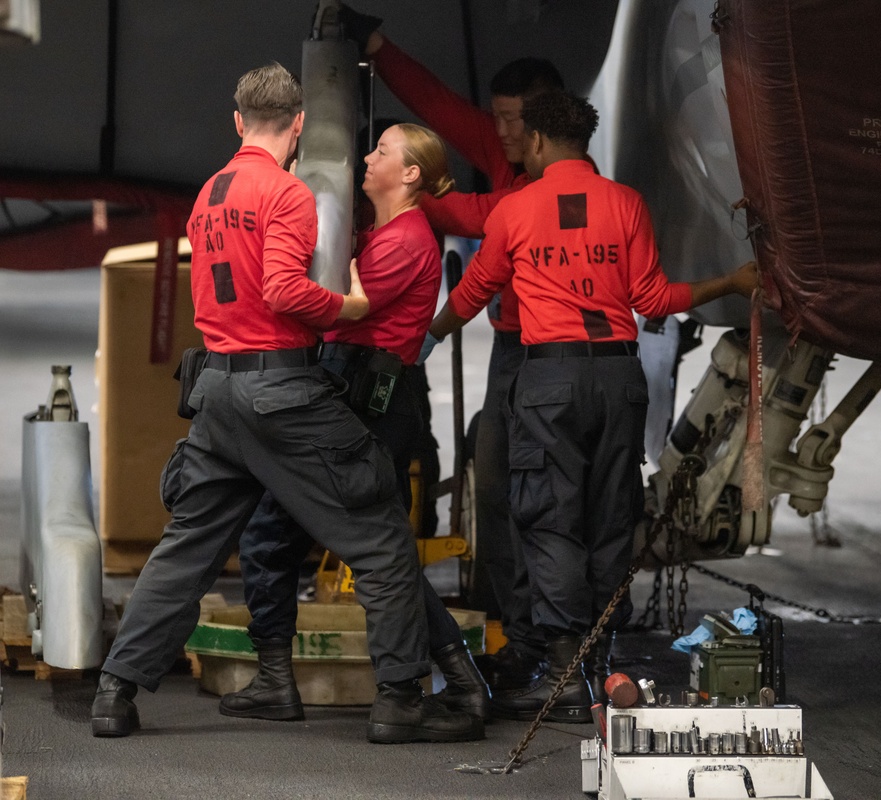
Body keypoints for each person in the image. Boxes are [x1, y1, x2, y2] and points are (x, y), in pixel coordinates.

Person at [89, 63, 482, 744]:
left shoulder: (208, 195)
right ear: (298, 125)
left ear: (238, 122)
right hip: (282, 390)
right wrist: (347, 303)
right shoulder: (290, 194)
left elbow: (219, 292)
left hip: (215, 393)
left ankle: (113, 694)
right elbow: (282, 290)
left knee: (186, 548)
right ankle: (398, 703)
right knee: (383, 539)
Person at [423, 91, 757, 722]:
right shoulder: (624, 203)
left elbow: (474, 289)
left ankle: (561, 671)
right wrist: (733, 282)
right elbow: (653, 299)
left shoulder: (518, 208)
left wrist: (433, 333)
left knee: (550, 517)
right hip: (620, 381)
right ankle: (600, 665)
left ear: (542, 143)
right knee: (609, 516)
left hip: (549, 379)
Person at [224, 122, 491, 723]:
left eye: (381, 151)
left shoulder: (405, 241)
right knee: (370, 547)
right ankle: (454, 678)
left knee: (341, 543)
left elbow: (333, 301)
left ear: (411, 174)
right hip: (353, 390)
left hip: (366, 401)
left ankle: (437, 683)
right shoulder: (387, 232)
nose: (367, 158)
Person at [338, 3, 565, 695]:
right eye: (495, 118)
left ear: (548, 119)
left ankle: (545, 638)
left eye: (511, 120)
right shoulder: (504, 146)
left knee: (538, 493)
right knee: (495, 476)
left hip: (552, 354)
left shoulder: (547, 188)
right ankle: (509, 625)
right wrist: (377, 46)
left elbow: (469, 215)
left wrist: (399, 193)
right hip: (509, 344)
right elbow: (435, 103)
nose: (496, 132)